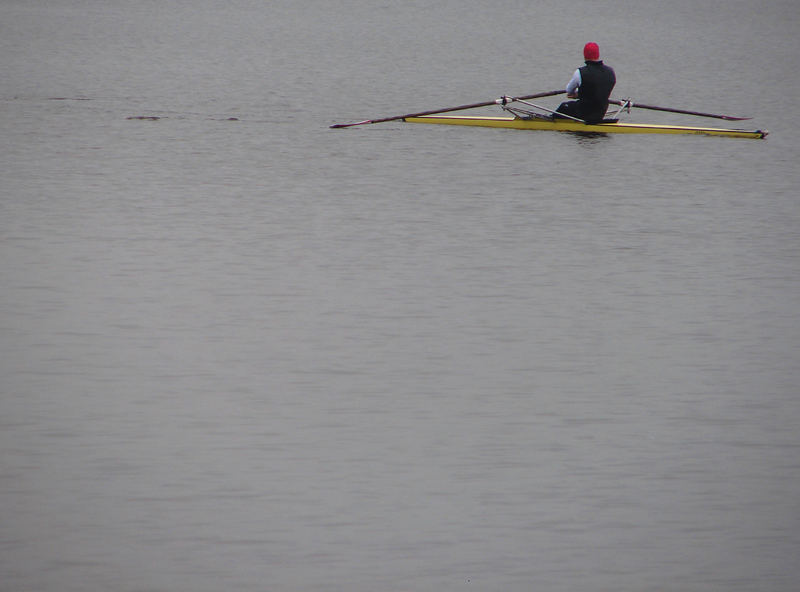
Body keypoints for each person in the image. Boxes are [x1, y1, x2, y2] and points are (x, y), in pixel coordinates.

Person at [554, 42, 616, 124]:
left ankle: (550, 121)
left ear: (585, 55)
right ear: (598, 55)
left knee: (563, 107)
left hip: (583, 113)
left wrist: (576, 94)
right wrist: (581, 94)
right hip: (601, 112)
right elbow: (599, 91)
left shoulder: (580, 72)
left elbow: (569, 90)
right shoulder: (610, 71)